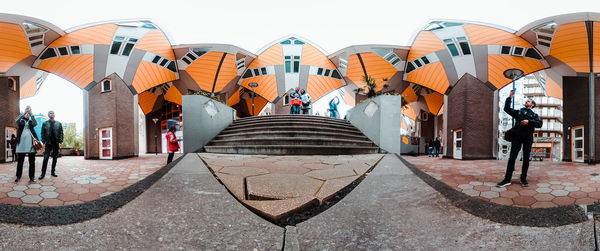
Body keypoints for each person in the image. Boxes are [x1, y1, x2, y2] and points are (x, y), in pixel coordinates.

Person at [496, 90, 542, 188]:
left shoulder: (535, 115)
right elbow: (507, 109)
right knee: (512, 157)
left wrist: (528, 122)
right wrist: (509, 97)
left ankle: (523, 179)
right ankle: (507, 179)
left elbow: (539, 124)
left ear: (532, 105)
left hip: (528, 139)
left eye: (529, 101)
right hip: (517, 137)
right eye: (527, 100)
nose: (527, 101)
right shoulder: (519, 112)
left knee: (526, 159)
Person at [14, 106, 39, 183]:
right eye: (26, 112)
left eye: (29, 111)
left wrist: (31, 114)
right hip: (21, 143)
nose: (27, 113)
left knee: (32, 162)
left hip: (31, 144)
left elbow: (35, 123)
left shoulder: (31, 122)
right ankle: (18, 177)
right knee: (20, 161)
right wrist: (24, 113)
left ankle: (32, 177)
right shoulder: (21, 120)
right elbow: (16, 120)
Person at [39, 111, 63, 180]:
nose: (51, 114)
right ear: (48, 115)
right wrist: (43, 141)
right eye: (50, 113)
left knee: (55, 158)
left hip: (56, 143)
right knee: (45, 158)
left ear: (54, 115)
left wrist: (60, 142)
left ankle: (53, 172)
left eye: (52, 113)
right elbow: (42, 133)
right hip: (48, 143)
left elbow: (61, 133)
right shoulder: (45, 123)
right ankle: (42, 174)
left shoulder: (58, 124)